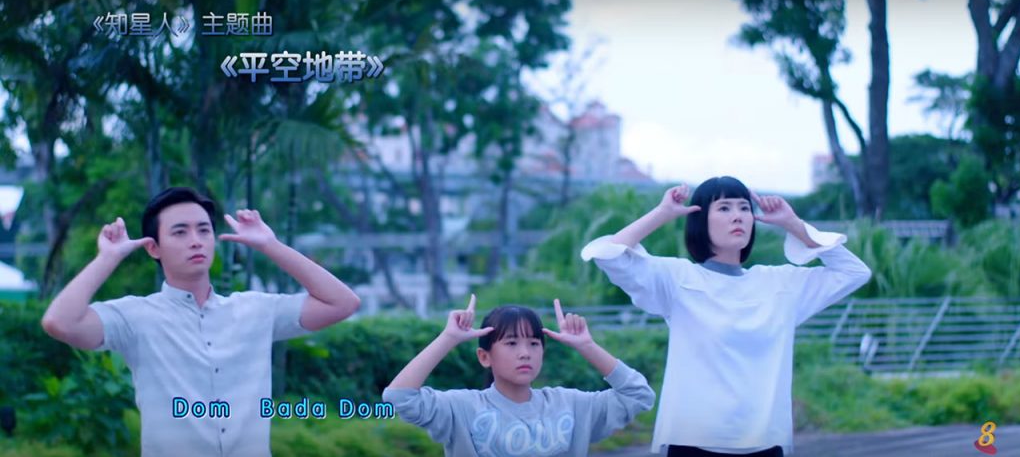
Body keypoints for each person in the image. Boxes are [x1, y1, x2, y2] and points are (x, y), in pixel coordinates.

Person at [41, 187, 361, 457]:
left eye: (204, 230)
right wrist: (107, 258)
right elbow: (59, 322)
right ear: (153, 247)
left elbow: (342, 303)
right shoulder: (135, 317)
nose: (196, 240)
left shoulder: (255, 309)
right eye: (180, 232)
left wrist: (270, 245)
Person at [581, 176, 872, 457]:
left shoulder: (779, 285)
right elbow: (607, 255)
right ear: (701, 220)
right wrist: (662, 213)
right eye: (724, 208)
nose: (738, 217)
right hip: (693, 443)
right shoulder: (678, 279)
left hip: (764, 443)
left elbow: (854, 272)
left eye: (744, 208)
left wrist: (793, 224)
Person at [382, 295, 655, 456]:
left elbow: (639, 395)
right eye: (511, 343)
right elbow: (398, 397)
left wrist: (587, 345)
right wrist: (448, 338)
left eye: (534, 344)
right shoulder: (462, 408)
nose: (525, 353)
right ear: (484, 357)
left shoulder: (571, 404)